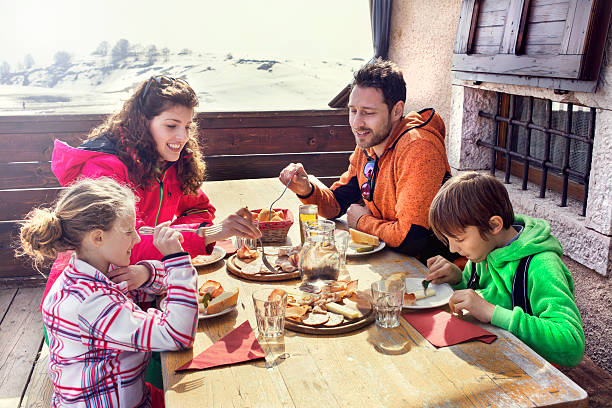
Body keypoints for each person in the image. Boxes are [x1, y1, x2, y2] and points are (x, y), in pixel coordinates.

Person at [43, 75, 260, 304]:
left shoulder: (172, 163)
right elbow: (117, 244)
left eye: (187, 126)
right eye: (171, 125)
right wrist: (206, 235)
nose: (183, 136)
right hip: (86, 300)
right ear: (143, 122)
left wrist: (161, 249)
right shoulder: (105, 168)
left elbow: (199, 210)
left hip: (144, 289)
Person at [19, 177, 198, 407]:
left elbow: (155, 290)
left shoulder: (98, 272)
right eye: (129, 231)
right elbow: (178, 334)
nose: (137, 238)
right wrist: (176, 260)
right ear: (98, 238)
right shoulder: (91, 302)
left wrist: (146, 273)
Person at [279, 58, 454, 260]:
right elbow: (337, 204)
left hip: (432, 271)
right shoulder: (369, 143)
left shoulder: (419, 148)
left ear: (397, 110)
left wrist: (362, 221)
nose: (357, 123)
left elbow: (410, 237)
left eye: (368, 113)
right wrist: (307, 189)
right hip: (391, 259)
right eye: (353, 111)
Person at [425, 172, 584, 367]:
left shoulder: (541, 265)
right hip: (494, 356)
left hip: (537, 374)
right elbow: (478, 295)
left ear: (494, 225)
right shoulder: (483, 249)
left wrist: (493, 313)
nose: (452, 249)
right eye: (448, 240)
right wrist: (457, 279)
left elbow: (571, 344)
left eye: (459, 239)